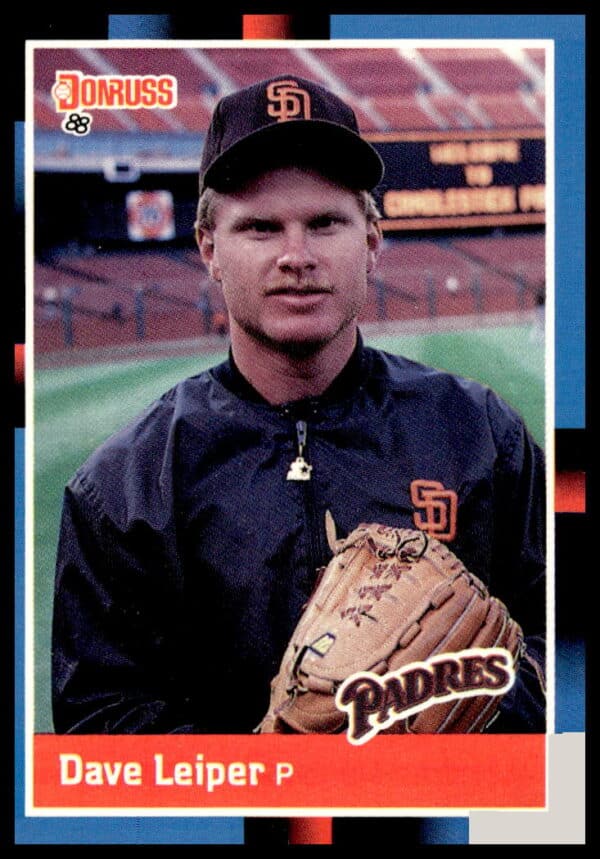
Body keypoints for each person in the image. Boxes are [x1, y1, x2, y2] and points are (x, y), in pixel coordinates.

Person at [51, 75, 546, 735]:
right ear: (209, 249)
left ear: (370, 242)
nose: (296, 255)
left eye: (324, 223)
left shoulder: (483, 434)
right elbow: (101, 718)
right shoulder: (125, 484)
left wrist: (466, 704)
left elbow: (555, 649)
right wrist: (276, 766)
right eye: (260, 227)